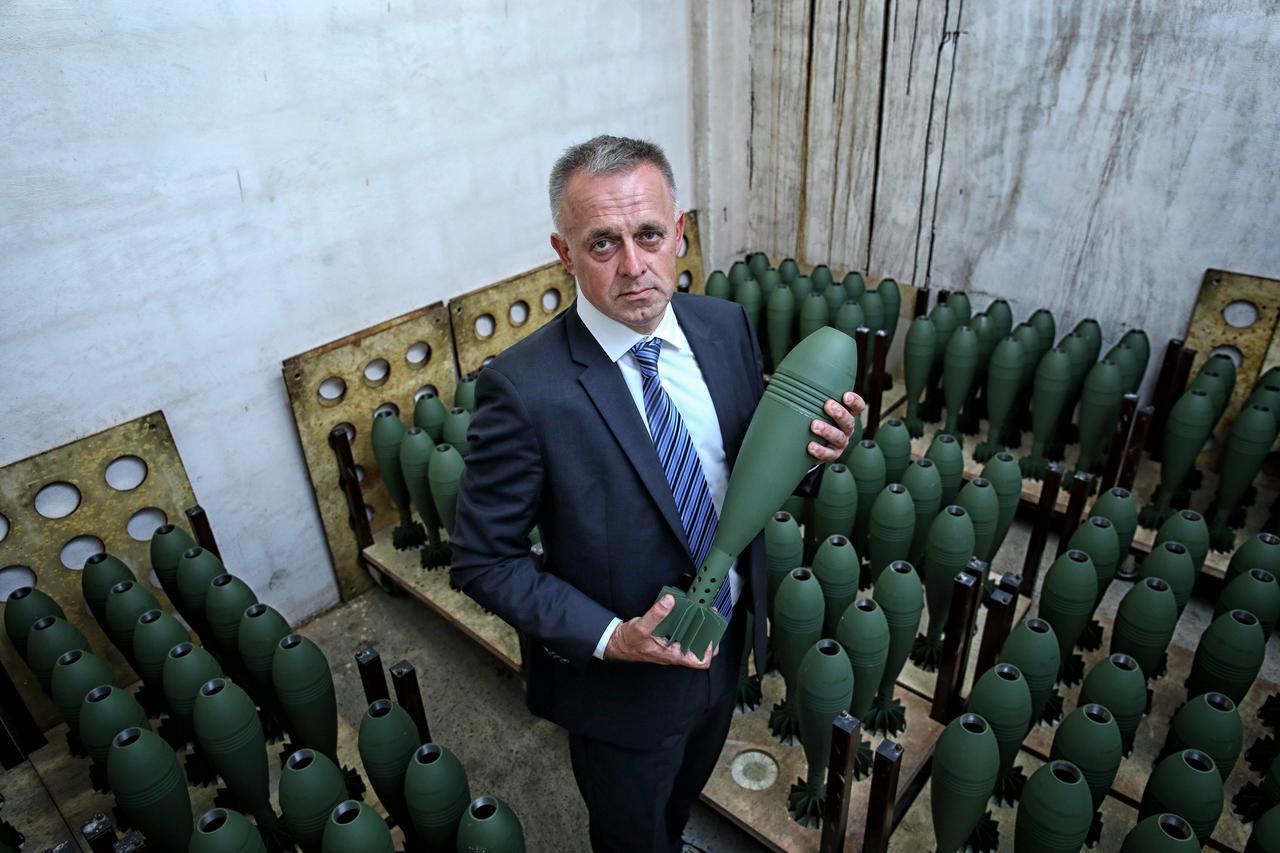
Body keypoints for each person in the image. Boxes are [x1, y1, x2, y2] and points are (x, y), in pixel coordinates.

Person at [450, 134, 864, 853]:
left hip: (724, 647)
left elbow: (746, 469)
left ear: (679, 233)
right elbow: (484, 560)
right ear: (564, 252)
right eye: (602, 243)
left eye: (648, 234)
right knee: (632, 834)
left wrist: (816, 452)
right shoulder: (523, 390)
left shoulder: (724, 327)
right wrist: (612, 638)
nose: (634, 265)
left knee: (677, 805)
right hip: (622, 693)